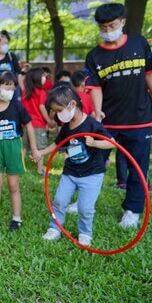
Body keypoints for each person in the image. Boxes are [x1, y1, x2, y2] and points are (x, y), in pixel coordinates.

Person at [84, 3, 152, 229]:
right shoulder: (94, 56)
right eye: (103, 27)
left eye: (112, 25)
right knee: (92, 160)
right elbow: (95, 87)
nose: (108, 30)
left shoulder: (139, 43)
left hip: (139, 119)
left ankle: (132, 210)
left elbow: (150, 75)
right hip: (108, 121)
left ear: (122, 22)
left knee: (138, 167)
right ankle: (84, 200)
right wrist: (98, 112)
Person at [34, 86, 115, 246]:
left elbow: (111, 143)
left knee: (85, 208)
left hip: (92, 174)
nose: (58, 115)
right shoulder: (66, 126)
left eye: (59, 110)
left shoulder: (92, 125)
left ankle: (85, 233)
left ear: (72, 104)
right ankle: (55, 228)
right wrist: (41, 153)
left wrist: (95, 142)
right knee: (59, 201)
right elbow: (58, 143)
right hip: (70, 173)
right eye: (55, 111)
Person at [0, 70, 39, 231]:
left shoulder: (17, 106)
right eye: (7, 87)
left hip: (13, 147)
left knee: (13, 185)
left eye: (13, 88)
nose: (10, 91)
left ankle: (16, 219)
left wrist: (34, 148)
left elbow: (29, 125)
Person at [21, 67, 56, 175]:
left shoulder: (25, 91)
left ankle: (21, 167)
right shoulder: (41, 92)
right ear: (37, 78)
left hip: (25, 124)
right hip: (38, 124)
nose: (45, 77)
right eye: (43, 76)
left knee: (24, 147)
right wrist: (49, 121)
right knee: (41, 147)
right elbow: (41, 107)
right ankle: (39, 170)